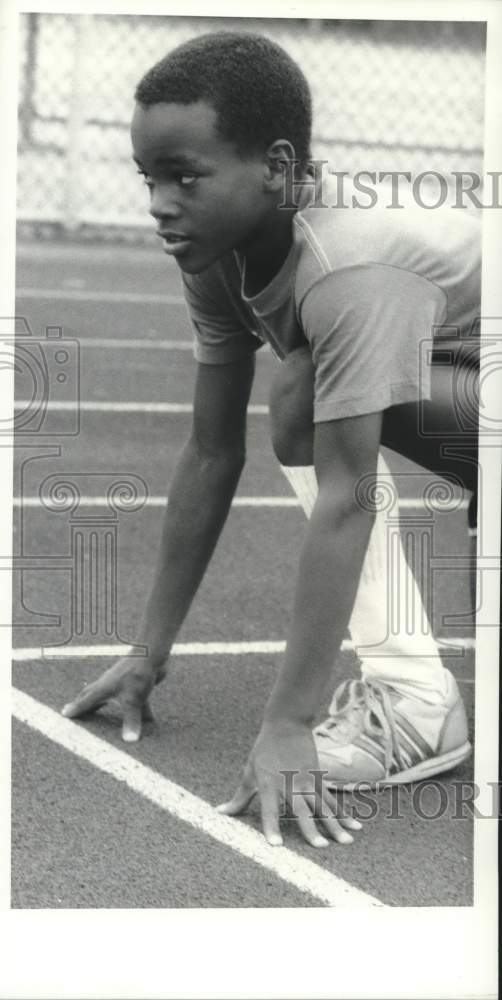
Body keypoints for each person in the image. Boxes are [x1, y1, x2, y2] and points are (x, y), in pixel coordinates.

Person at [62, 31, 480, 847]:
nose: (159, 203)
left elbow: (348, 496)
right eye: (149, 178)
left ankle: (415, 701)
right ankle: (417, 693)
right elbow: (211, 451)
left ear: (278, 167)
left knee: (306, 386)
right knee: (301, 390)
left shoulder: (348, 264)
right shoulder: (217, 255)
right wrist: (149, 649)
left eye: (185, 176)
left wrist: (288, 724)